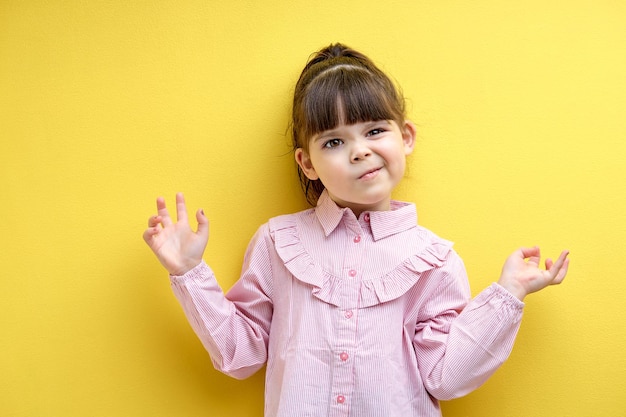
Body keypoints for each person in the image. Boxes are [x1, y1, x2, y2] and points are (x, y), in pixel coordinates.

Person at [143, 43, 570, 417]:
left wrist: (507, 295)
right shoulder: (277, 242)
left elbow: (444, 377)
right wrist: (189, 273)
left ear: (405, 136)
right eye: (333, 142)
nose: (360, 150)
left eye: (374, 130)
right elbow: (242, 355)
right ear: (307, 163)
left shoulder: (435, 259)